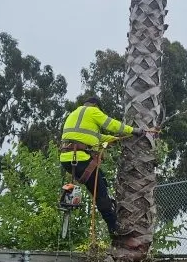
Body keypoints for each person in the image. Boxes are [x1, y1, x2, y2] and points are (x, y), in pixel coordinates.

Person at [60, 95, 145, 236]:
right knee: (100, 194)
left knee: (101, 179)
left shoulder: (74, 114)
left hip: (67, 159)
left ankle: (109, 205)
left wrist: (116, 139)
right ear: (95, 106)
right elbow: (112, 124)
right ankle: (114, 226)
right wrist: (133, 131)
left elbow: (98, 138)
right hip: (80, 158)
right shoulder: (93, 111)